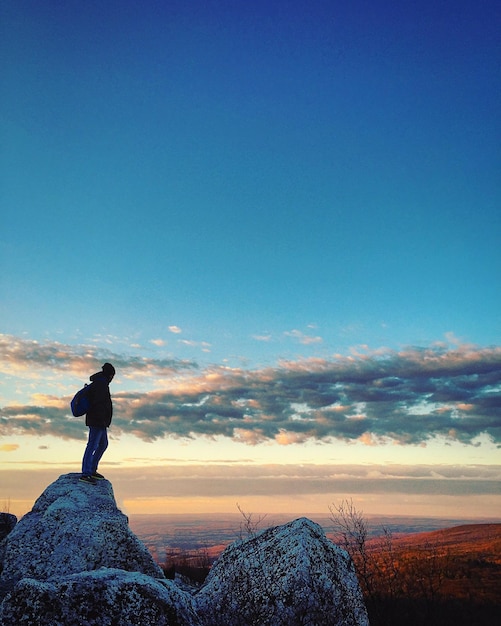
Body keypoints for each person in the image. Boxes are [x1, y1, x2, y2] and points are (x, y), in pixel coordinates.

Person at [80, 362, 115, 485]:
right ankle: (86, 473)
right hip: (97, 421)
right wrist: (102, 419)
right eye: (112, 376)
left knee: (103, 444)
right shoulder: (100, 384)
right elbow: (99, 404)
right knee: (92, 445)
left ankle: (92, 469)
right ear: (110, 375)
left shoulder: (101, 383)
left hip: (100, 421)